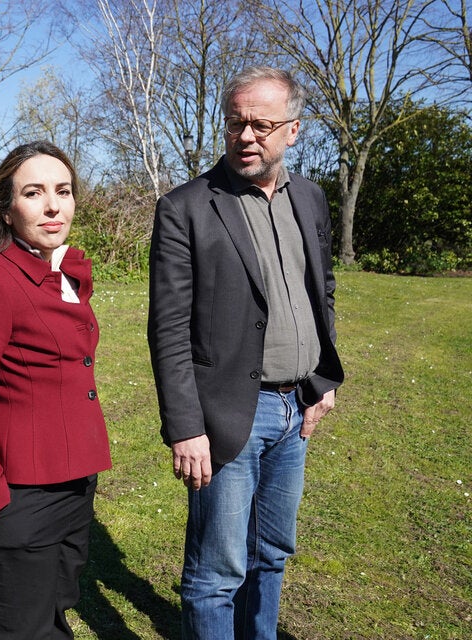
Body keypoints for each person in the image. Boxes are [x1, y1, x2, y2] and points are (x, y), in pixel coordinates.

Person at [147, 67, 344, 640]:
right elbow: (168, 328)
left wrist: (322, 380)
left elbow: (321, 290)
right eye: (237, 123)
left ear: (293, 130)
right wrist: (186, 427)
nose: (247, 136)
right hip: (229, 414)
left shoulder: (308, 198)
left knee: (273, 555)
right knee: (215, 573)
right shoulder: (186, 207)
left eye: (261, 124)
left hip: (295, 410)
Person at [0, 140, 112, 639]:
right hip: (18, 497)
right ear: (7, 208)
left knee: (54, 615)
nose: (53, 205)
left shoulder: (64, 274)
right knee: (22, 631)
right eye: (34, 192)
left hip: (73, 485)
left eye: (63, 191)